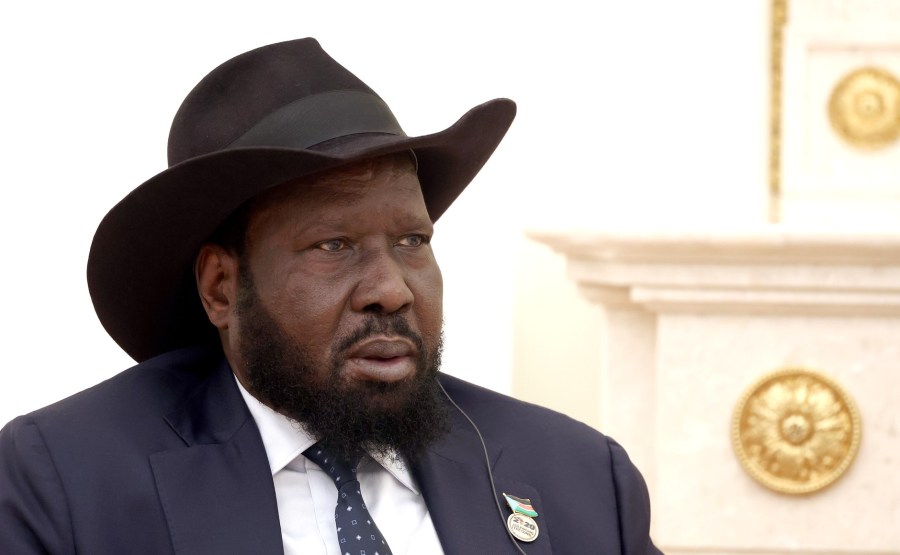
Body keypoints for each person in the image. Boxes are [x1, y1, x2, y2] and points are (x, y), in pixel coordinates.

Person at [0, 38, 661, 554]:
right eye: (333, 245)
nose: (391, 290)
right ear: (221, 288)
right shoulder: (63, 482)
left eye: (411, 240)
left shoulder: (579, 478)